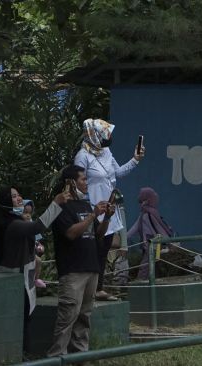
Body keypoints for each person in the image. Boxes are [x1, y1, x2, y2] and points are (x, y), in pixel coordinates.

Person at [0, 186, 69, 357]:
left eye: (19, 195)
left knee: (26, 319)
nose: (19, 199)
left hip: (25, 277)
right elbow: (38, 227)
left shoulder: (18, 220)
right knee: (22, 321)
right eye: (14, 196)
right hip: (16, 279)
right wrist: (55, 203)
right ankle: (22, 355)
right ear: (5, 202)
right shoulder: (14, 225)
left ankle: (24, 354)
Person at [74, 118, 144, 301]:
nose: (109, 136)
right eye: (106, 133)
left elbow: (118, 173)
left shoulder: (106, 151)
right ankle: (89, 289)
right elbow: (77, 183)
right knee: (94, 248)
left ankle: (99, 288)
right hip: (92, 209)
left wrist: (135, 160)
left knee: (104, 248)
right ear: (94, 135)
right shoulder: (83, 156)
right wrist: (87, 207)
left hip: (109, 208)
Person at [47, 165, 114, 356]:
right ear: (71, 182)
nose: (87, 183)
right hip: (72, 271)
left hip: (91, 268)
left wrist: (106, 217)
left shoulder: (85, 204)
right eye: (83, 179)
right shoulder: (60, 207)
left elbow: (98, 234)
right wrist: (93, 214)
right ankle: (57, 357)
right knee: (67, 317)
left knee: (84, 317)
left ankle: (80, 357)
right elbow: (70, 234)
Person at [127, 187, 174, 280]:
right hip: (151, 245)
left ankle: (140, 288)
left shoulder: (147, 214)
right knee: (150, 268)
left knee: (145, 268)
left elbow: (157, 228)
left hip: (152, 245)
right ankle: (147, 289)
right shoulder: (147, 213)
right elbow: (136, 228)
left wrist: (169, 243)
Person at [22, 200, 47, 288]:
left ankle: (36, 279)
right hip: (21, 253)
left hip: (31, 254)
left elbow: (38, 241)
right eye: (25, 212)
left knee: (38, 260)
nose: (28, 215)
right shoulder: (18, 224)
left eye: (30, 213)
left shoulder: (32, 224)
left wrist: (40, 247)